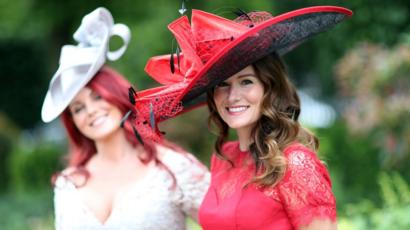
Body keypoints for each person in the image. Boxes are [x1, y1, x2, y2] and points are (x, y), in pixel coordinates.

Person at [144, 6, 353, 229]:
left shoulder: (294, 162)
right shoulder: (224, 158)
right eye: (223, 85)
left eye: (246, 81)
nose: (233, 96)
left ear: (269, 87)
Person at [41, 7, 209, 229]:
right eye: (78, 108)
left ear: (118, 96)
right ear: (72, 122)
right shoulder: (68, 184)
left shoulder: (172, 167)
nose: (91, 110)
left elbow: (226, 221)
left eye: (98, 97)